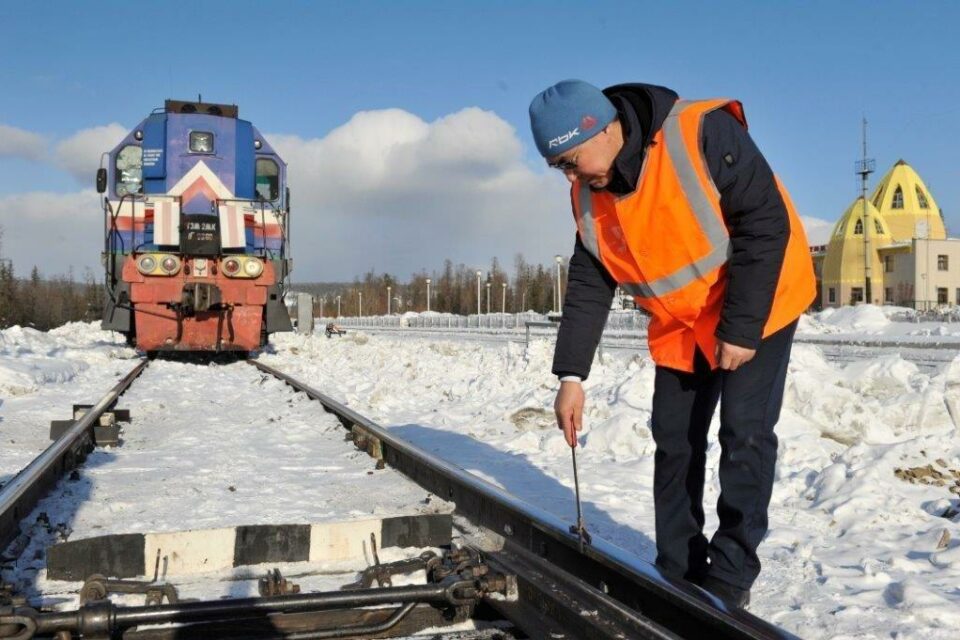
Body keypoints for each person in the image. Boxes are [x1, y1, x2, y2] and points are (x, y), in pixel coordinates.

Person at [528, 80, 815, 608]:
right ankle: (679, 569)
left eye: (572, 160)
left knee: (744, 433)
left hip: (760, 298)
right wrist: (571, 377)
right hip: (683, 320)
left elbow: (765, 224)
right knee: (674, 437)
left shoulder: (701, 132)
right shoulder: (588, 193)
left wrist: (740, 328)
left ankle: (731, 577)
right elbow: (591, 280)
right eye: (559, 168)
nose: (571, 176)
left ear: (606, 128)